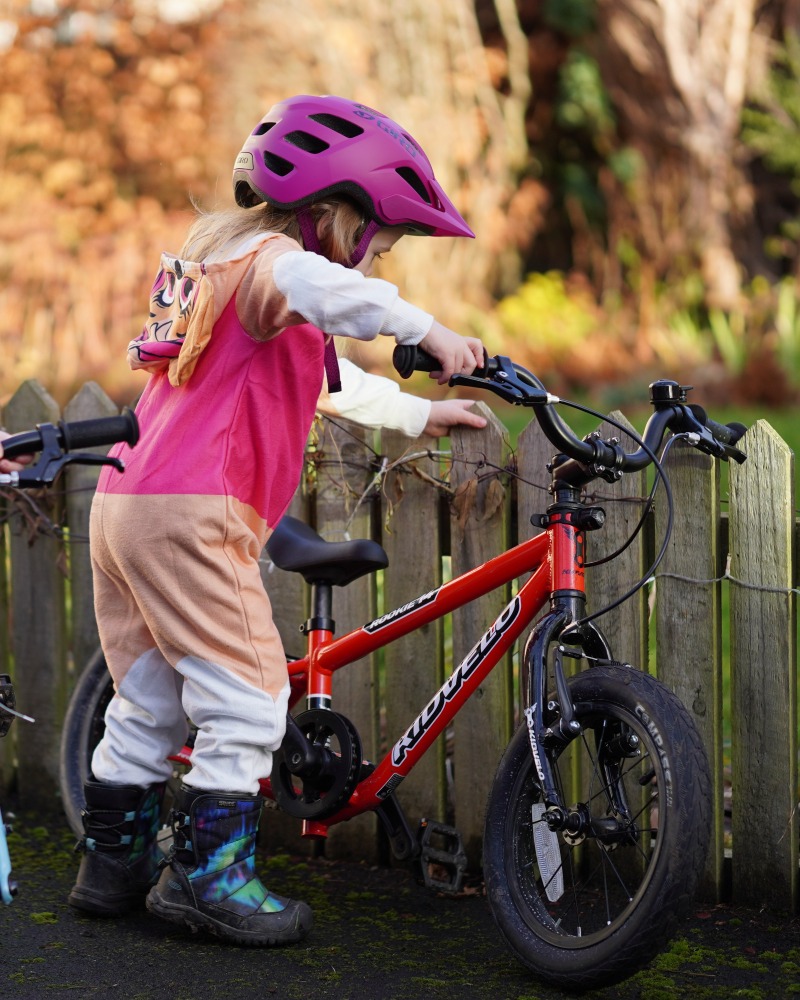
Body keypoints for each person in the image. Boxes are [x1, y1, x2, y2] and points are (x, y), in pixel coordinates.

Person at [68, 94, 485, 947]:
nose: (375, 265)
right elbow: (320, 287)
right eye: (380, 244)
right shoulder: (273, 263)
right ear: (334, 214)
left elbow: (326, 383)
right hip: (193, 512)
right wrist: (427, 328)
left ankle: (112, 871)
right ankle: (208, 883)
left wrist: (417, 415)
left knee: (149, 699)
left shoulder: (217, 270)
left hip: (126, 504)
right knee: (251, 695)